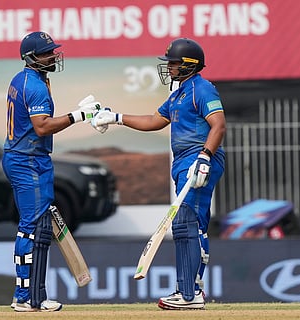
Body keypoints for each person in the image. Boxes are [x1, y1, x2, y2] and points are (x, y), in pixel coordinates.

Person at [92, 38, 226, 310]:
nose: (170, 68)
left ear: (189, 64)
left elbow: (219, 125)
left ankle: (189, 294)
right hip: (184, 161)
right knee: (190, 223)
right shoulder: (178, 94)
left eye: (174, 63)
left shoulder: (202, 89)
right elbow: (154, 121)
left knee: (188, 223)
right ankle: (190, 290)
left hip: (198, 159)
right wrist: (116, 117)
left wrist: (205, 157)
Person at [2, 31, 103, 312]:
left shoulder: (22, 79)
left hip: (26, 157)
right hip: (28, 160)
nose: (53, 56)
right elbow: (42, 126)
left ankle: (33, 295)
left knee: (39, 227)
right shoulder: (33, 85)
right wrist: (79, 116)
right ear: (32, 58)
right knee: (32, 228)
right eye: (47, 53)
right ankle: (25, 297)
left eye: (52, 52)